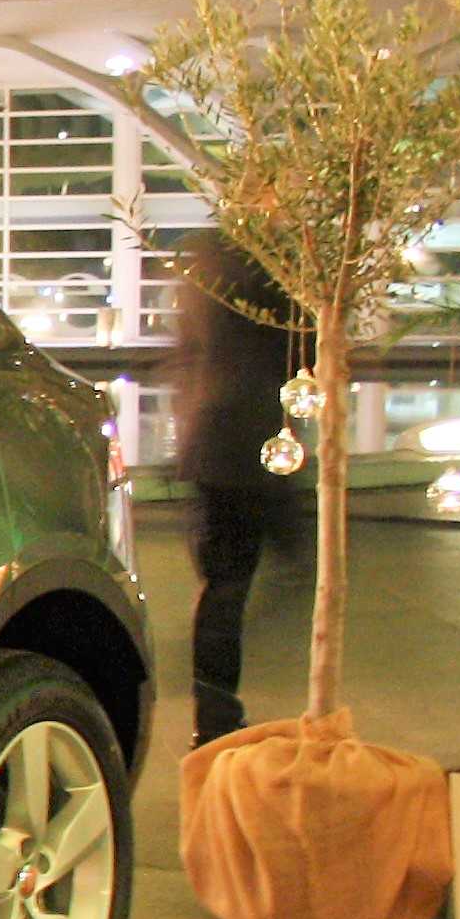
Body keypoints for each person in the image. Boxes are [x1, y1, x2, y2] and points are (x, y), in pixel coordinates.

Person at [172, 235, 296, 743]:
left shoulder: (207, 265)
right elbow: (288, 347)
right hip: (244, 446)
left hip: (217, 443)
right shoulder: (260, 270)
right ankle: (217, 718)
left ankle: (216, 716)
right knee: (230, 590)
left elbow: (190, 353)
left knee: (225, 587)